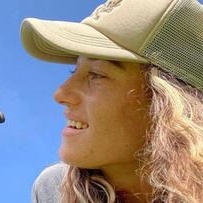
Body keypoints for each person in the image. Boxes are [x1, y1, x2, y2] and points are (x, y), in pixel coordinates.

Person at [20, 0, 203, 202]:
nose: (61, 94)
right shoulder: (53, 189)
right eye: (75, 70)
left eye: (96, 74)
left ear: (171, 103)